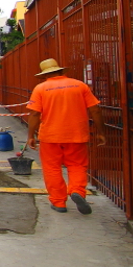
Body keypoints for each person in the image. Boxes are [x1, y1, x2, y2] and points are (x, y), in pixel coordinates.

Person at [26, 59, 106, 214]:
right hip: (77, 134)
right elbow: (95, 110)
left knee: (52, 168)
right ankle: (77, 191)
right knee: (77, 166)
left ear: (44, 75)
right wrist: (101, 131)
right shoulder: (79, 86)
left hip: (50, 136)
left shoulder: (41, 88)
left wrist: (30, 135)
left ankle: (58, 202)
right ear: (61, 71)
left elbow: (35, 113)